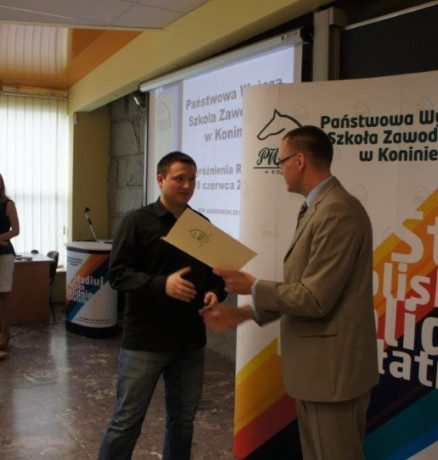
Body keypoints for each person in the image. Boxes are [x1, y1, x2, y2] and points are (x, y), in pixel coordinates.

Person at [201, 126, 379, 459]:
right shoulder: (317, 208)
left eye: (280, 161)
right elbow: (304, 287)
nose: (279, 169)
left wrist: (253, 286)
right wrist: (243, 312)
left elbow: (315, 299)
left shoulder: (337, 210)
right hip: (319, 373)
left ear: (299, 161)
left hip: (333, 375)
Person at [98, 151, 226, 460]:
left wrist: (215, 293)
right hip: (145, 340)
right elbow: (117, 275)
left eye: (192, 179)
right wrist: (162, 284)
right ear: (160, 180)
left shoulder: (200, 224)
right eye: (179, 178)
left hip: (189, 341)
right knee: (126, 422)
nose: (187, 186)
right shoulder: (137, 221)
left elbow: (215, 276)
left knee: (182, 422)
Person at [0, 173, 20, 361]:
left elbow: (15, 230)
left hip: (4, 256)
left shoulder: (8, 204)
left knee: (3, 295)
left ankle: (4, 335)